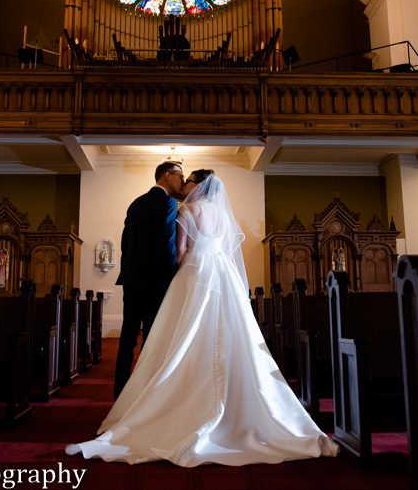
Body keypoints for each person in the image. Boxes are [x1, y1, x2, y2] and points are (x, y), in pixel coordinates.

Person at [67, 169, 337, 466]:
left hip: (192, 274)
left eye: (190, 181)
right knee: (229, 334)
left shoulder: (185, 209)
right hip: (223, 275)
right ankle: (239, 404)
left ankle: (152, 397)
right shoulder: (221, 214)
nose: (185, 185)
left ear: (198, 186)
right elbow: (222, 246)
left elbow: (179, 249)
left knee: (177, 336)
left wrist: (177, 273)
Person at [112, 161, 184, 399]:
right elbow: (167, 243)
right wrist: (174, 277)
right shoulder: (168, 202)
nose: (182, 182)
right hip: (155, 282)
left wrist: (130, 270)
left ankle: (120, 392)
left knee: (128, 336)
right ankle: (143, 395)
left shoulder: (136, 203)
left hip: (132, 280)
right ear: (167, 175)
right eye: (179, 176)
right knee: (152, 338)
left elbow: (125, 242)